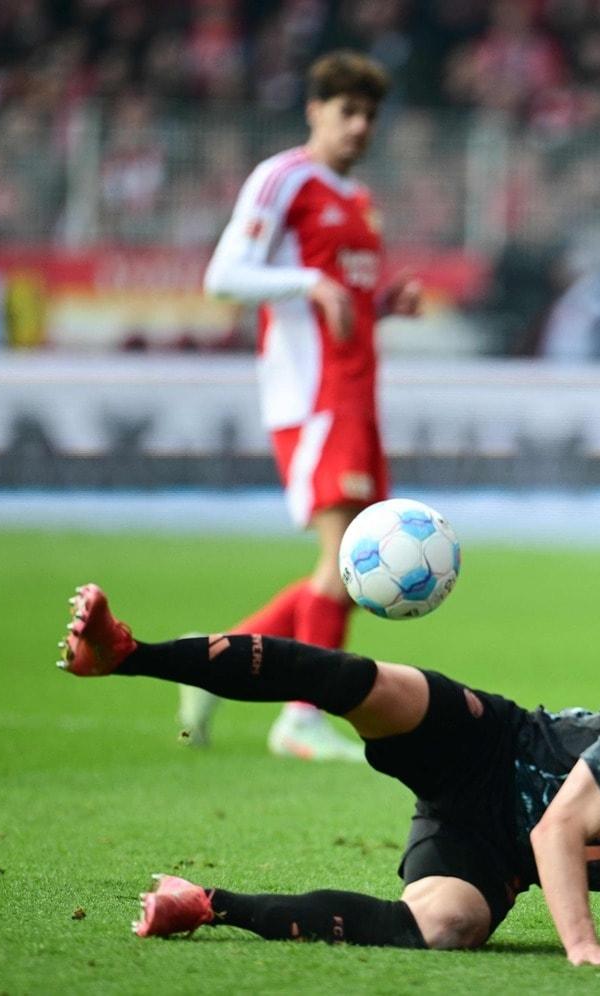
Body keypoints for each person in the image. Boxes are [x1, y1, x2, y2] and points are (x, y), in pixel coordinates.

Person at [56, 584, 600, 965]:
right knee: (364, 686)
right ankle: (129, 655)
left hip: (493, 850)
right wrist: (581, 944)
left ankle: (201, 904)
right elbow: (559, 830)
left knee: (445, 928)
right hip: (494, 748)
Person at [198, 51, 422, 761]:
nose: (359, 127)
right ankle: (300, 716)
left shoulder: (358, 199)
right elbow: (223, 277)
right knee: (344, 559)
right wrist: (307, 283)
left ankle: (212, 666)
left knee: (353, 569)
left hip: (357, 393)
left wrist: (379, 303)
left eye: (369, 115)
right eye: (346, 111)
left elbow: (339, 302)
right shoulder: (282, 178)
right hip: (313, 397)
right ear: (314, 109)